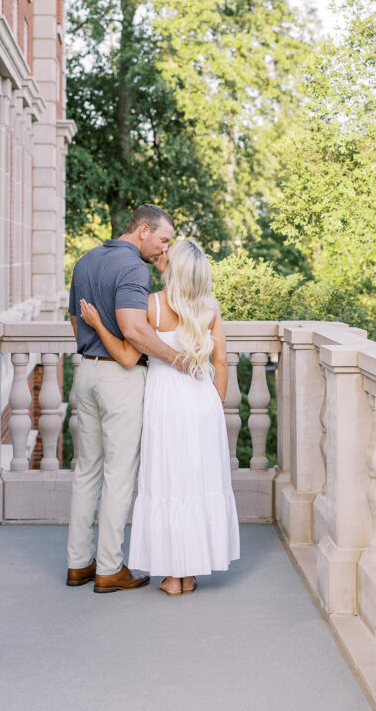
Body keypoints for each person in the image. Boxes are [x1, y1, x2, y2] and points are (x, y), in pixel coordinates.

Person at [79, 238, 240, 596]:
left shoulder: (151, 305)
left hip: (165, 402)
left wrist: (97, 324)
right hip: (203, 402)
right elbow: (221, 363)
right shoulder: (210, 308)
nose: (162, 254)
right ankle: (190, 571)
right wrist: (213, 406)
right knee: (197, 485)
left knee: (167, 484)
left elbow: (125, 354)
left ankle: (172, 576)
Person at [66, 203, 188, 594]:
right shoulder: (134, 267)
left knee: (86, 471)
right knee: (118, 475)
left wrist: (93, 350)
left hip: (85, 371)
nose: (162, 251)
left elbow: (74, 320)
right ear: (143, 231)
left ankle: (77, 564)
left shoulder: (84, 261)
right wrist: (176, 359)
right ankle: (109, 569)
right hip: (120, 378)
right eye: (163, 240)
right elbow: (134, 330)